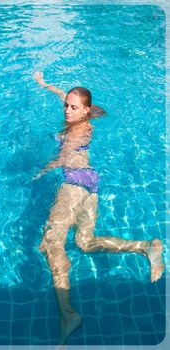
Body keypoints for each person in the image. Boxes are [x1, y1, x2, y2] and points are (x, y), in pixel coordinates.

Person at [33, 71, 164, 345]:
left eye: (73, 107)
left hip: (74, 186)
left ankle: (68, 314)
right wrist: (46, 85)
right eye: (66, 106)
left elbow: (65, 156)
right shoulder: (85, 115)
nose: (68, 111)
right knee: (84, 242)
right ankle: (146, 246)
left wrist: (41, 170)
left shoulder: (80, 131)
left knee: (51, 242)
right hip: (90, 183)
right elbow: (66, 97)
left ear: (86, 111)